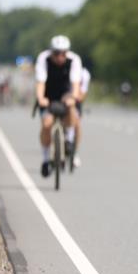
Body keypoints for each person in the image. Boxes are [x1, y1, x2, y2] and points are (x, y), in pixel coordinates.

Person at [34, 35, 83, 177]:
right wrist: (41, 98)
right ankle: (45, 159)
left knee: (72, 113)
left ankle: (69, 140)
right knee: (46, 124)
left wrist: (73, 98)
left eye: (63, 53)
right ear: (51, 52)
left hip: (65, 94)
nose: (60, 57)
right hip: (48, 95)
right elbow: (40, 82)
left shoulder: (74, 60)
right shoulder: (43, 59)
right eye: (56, 53)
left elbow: (75, 84)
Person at [69, 66, 91, 168]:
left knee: (77, 124)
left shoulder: (84, 74)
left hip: (76, 99)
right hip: (62, 95)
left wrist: (74, 100)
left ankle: (75, 153)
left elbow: (83, 93)